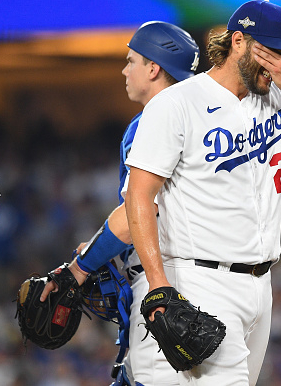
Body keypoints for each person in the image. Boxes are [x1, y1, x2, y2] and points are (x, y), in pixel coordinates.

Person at [124, 0, 281, 386]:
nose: (280, 64)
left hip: (261, 286)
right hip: (201, 279)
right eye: (270, 52)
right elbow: (139, 196)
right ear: (237, 41)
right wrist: (158, 283)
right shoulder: (178, 103)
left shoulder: (279, 97)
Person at [41, 21, 200, 385]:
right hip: (211, 280)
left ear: (154, 68)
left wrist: (82, 266)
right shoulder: (208, 120)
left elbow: (135, 216)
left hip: (165, 282)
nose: (124, 70)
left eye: (132, 61)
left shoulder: (151, 123)